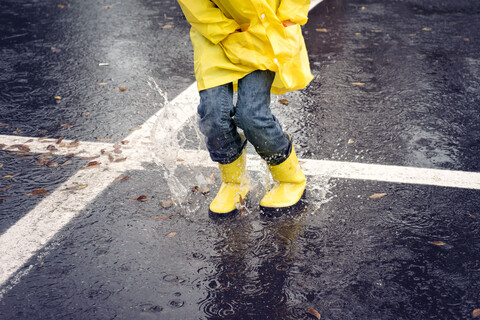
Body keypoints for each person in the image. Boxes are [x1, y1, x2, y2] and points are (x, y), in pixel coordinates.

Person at [176, 0, 314, 216]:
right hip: (215, 37)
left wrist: (288, 15)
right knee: (213, 117)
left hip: (261, 31)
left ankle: (289, 179)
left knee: (252, 116)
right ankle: (234, 182)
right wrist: (223, 29)